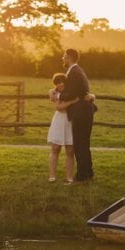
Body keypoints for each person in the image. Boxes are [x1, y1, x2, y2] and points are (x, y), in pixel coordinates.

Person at [56, 48, 95, 183]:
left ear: (70, 58)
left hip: (81, 113)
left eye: (64, 56)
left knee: (80, 144)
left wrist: (58, 95)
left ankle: (83, 175)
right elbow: (80, 92)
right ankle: (88, 173)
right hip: (85, 111)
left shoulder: (74, 72)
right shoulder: (77, 71)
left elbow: (72, 94)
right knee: (84, 143)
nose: (62, 58)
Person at [46, 73, 74, 183]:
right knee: (55, 149)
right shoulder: (54, 93)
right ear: (55, 84)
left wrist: (92, 96)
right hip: (59, 122)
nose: (61, 84)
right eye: (58, 82)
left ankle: (69, 177)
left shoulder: (71, 92)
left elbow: (87, 94)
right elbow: (59, 107)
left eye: (62, 81)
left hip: (70, 122)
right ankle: (52, 175)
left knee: (70, 151)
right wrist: (72, 101)